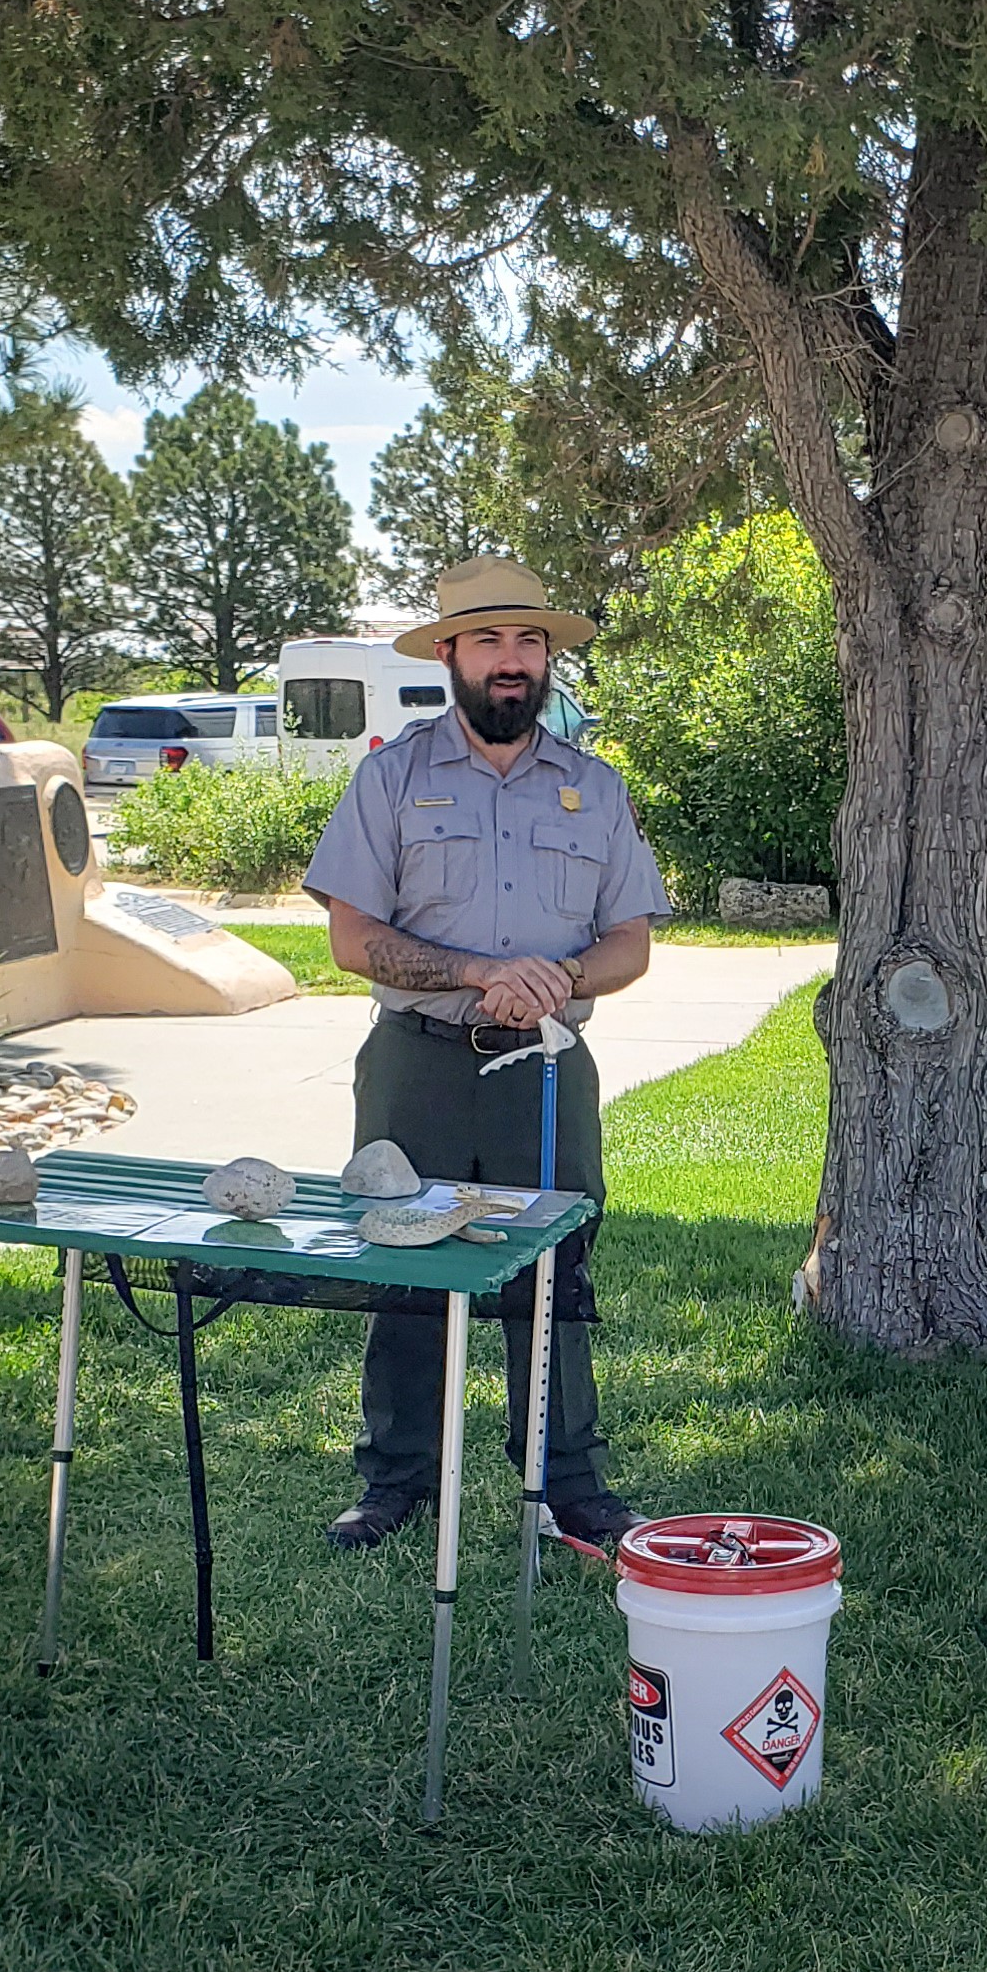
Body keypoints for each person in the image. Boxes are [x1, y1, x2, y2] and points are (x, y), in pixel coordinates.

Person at [303, 555, 673, 1551]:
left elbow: (629, 942)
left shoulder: (594, 791)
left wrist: (555, 979)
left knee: (557, 1273)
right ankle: (394, 1481)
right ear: (451, 656)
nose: (510, 662)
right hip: (416, 1062)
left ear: (545, 660)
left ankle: (567, 1483)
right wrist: (480, 972)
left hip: (548, 1064)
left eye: (528, 642)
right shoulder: (392, 777)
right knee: (402, 1260)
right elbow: (352, 938)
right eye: (489, 642)